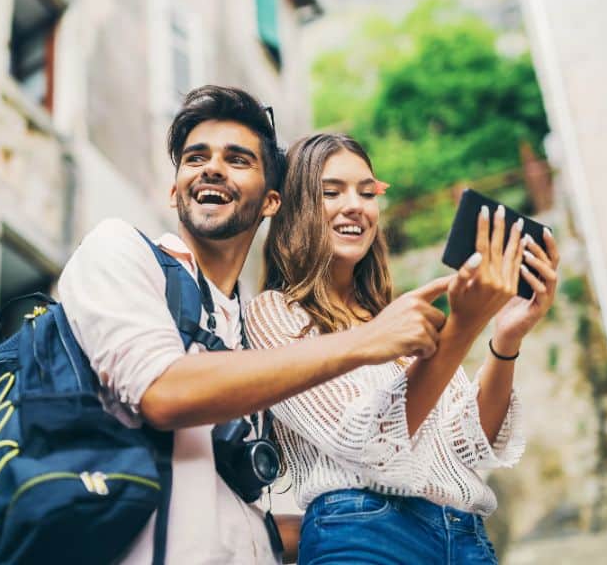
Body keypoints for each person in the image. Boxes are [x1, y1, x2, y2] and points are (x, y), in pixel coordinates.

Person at [55, 88, 456, 564]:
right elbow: (163, 392)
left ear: (270, 202)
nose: (212, 168)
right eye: (195, 157)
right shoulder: (121, 250)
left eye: (238, 159)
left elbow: (233, 510)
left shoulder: (251, 332)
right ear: (174, 190)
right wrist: (367, 340)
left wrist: (365, 527)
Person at [245, 133, 560, 564]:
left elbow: (468, 445)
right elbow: (367, 442)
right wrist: (462, 328)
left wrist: (505, 338)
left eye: (367, 190)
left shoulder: (395, 319)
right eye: (331, 192)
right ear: (294, 208)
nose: (356, 205)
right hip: (364, 535)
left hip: (463, 535)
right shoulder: (275, 315)